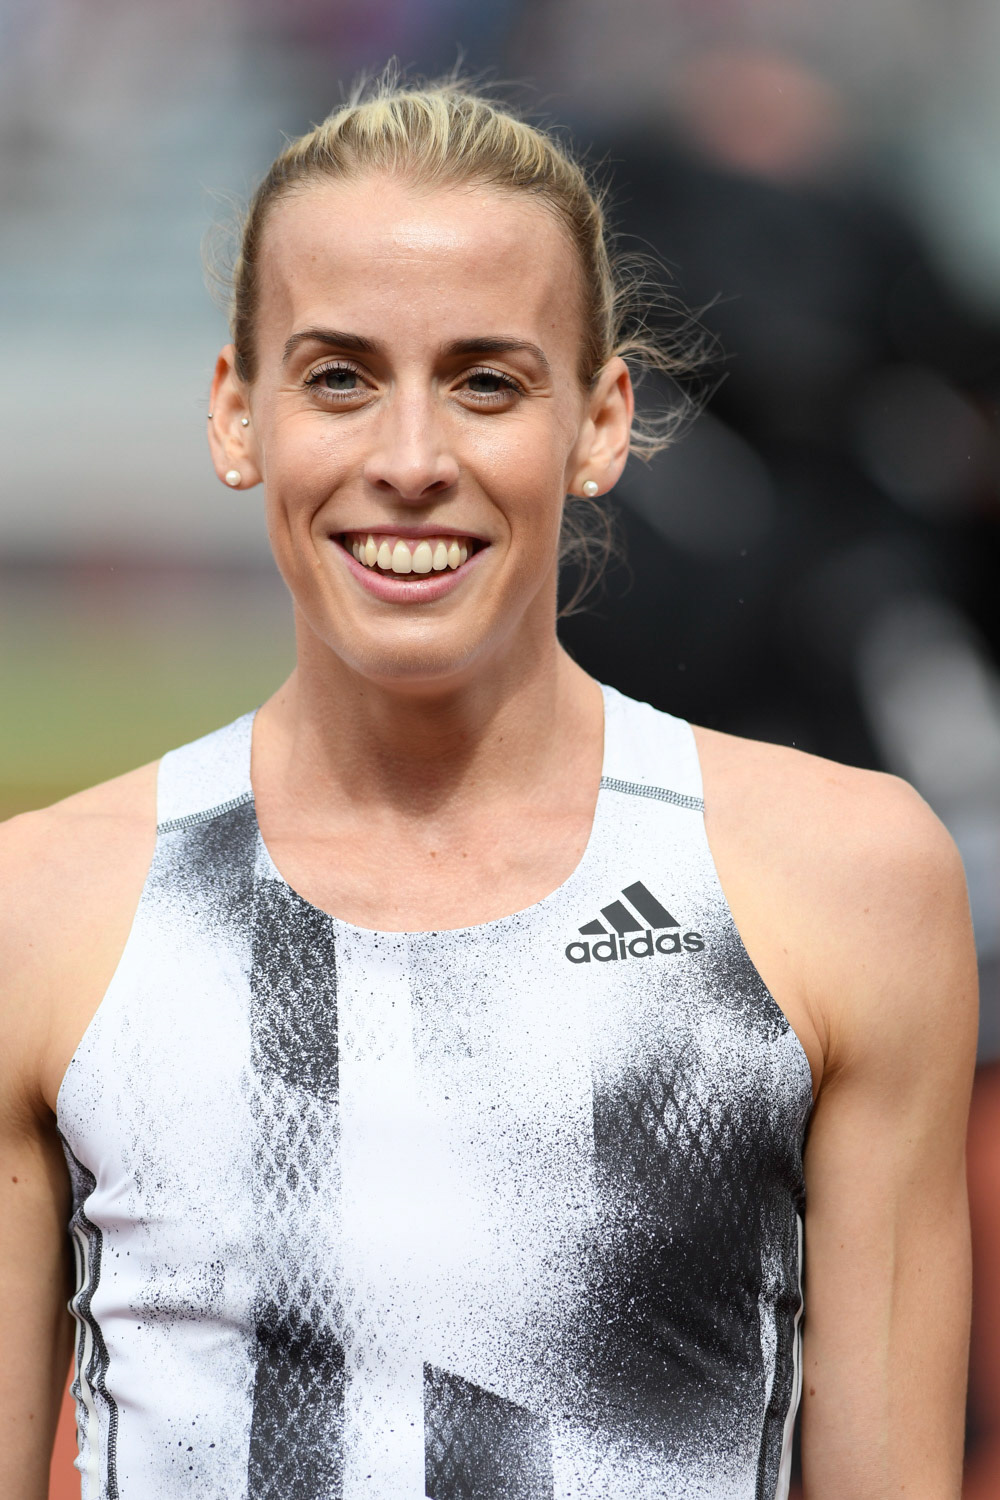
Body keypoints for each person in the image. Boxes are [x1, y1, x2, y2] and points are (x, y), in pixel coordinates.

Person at [0, 77, 977, 1500]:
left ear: (599, 425)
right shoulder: (38, 911)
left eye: (486, 381)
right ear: (235, 414)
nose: (410, 461)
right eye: (338, 377)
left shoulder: (845, 881)